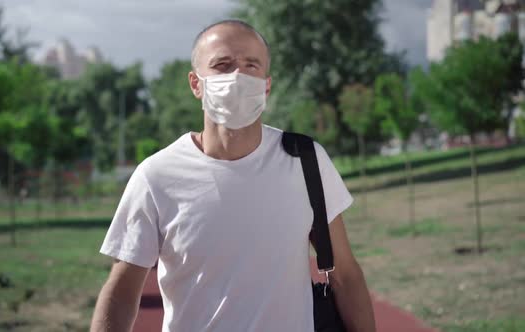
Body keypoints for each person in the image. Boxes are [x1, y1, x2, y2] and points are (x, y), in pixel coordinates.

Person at [90, 19, 376, 332]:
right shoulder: (156, 176)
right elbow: (122, 290)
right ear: (196, 84)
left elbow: (344, 274)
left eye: (251, 65)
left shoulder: (305, 161)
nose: (238, 75)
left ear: (266, 85)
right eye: (222, 65)